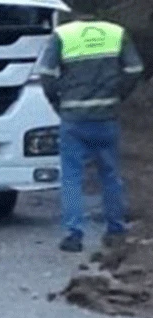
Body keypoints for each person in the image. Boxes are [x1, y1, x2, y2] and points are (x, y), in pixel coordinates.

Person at [36, 15, 144, 252]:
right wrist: (119, 95)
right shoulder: (116, 32)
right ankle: (116, 230)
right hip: (106, 115)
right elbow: (135, 68)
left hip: (74, 118)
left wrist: (58, 103)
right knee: (110, 175)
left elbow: (46, 74)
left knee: (72, 178)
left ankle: (74, 234)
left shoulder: (63, 35)